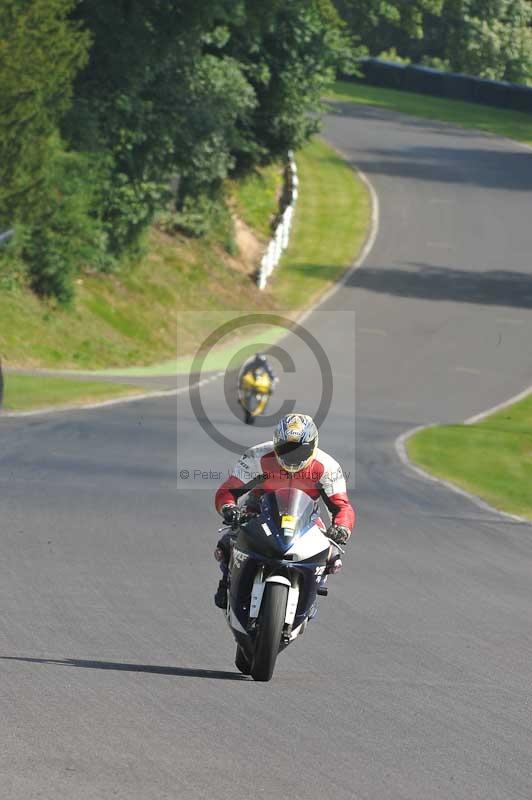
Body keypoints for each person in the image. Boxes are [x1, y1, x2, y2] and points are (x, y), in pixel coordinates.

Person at [213, 412, 355, 609]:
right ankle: (225, 582)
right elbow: (229, 489)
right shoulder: (258, 455)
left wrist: (341, 528)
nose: (292, 456)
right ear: (276, 443)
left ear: (313, 445)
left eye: (299, 450)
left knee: (331, 554)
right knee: (229, 540)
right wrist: (229, 508)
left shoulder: (328, 467)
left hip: (306, 514)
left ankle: (313, 592)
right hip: (260, 507)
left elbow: (341, 506)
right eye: (286, 449)